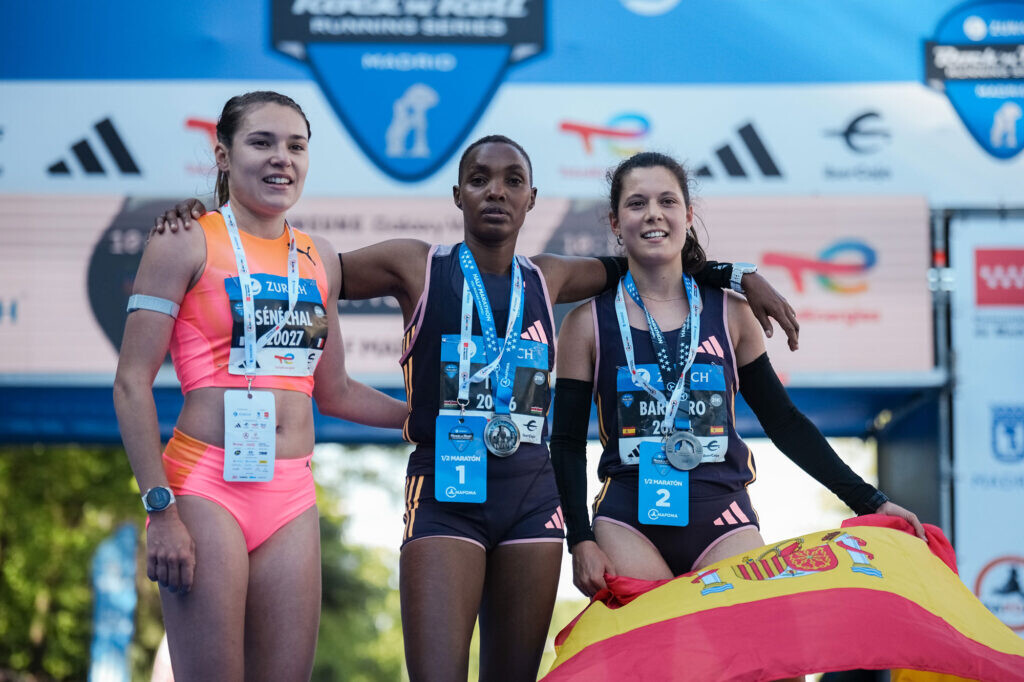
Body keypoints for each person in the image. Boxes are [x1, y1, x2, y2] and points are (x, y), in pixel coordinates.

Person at [153, 135, 800, 681]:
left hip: (532, 503)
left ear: (531, 199)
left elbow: (654, 253)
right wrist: (217, 222)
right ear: (457, 194)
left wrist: (738, 276)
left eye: (513, 180)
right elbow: (304, 267)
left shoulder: (551, 277)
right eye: (480, 179)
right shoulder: (415, 265)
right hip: (445, 497)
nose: (496, 191)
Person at [113, 91, 408, 682]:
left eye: (296, 146)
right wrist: (159, 510)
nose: (282, 158)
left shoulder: (318, 256)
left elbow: (335, 392)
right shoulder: (184, 239)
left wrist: (423, 417)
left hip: (291, 494)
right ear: (223, 155)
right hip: (204, 487)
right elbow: (129, 384)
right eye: (262, 142)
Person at [550, 151, 926, 603]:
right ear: (615, 222)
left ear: (688, 215)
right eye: (636, 203)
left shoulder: (733, 314)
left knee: (755, 640)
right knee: (660, 642)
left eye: (667, 201)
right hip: (627, 522)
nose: (653, 213)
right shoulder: (586, 324)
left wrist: (872, 501)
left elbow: (784, 422)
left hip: (722, 519)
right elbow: (566, 442)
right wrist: (579, 539)